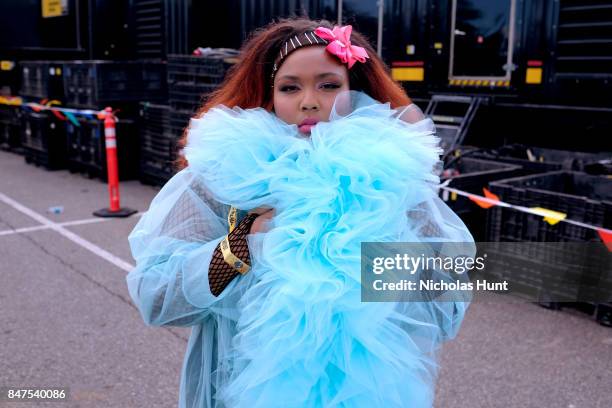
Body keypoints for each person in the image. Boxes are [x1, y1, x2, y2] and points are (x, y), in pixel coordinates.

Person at [126, 17, 474, 408]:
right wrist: (242, 245)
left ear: (355, 92)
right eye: (290, 87)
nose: (309, 101)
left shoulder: (390, 179)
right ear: (267, 94)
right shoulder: (226, 175)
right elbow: (156, 299)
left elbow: (446, 305)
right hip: (240, 388)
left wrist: (354, 258)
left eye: (329, 85)